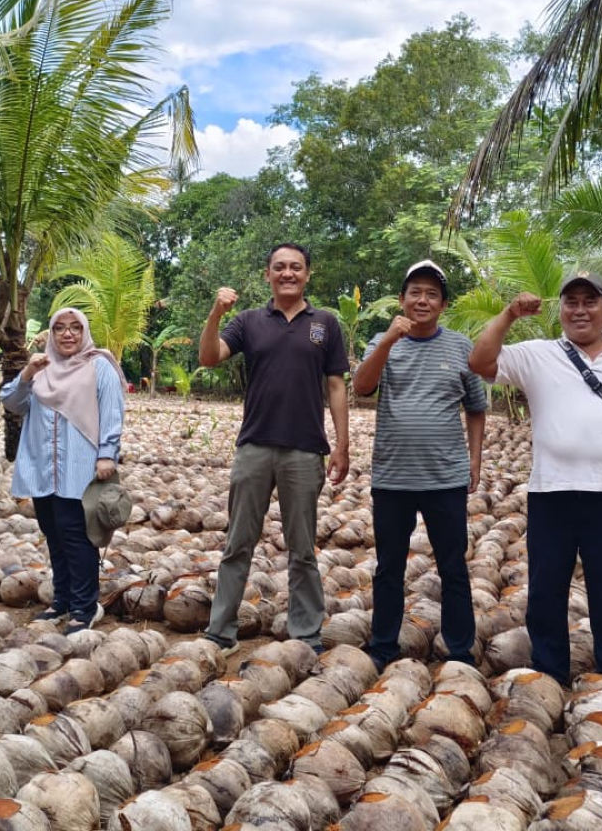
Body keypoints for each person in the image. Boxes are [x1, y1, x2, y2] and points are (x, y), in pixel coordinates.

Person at [469, 271, 602, 686]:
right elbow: (480, 361)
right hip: (551, 492)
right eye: (571, 302)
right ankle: (550, 673)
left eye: (590, 301)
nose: (581, 310)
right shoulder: (537, 354)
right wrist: (509, 314)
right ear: (560, 309)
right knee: (546, 588)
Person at [199, 243, 351, 655]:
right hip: (254, 447)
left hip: (304, 451)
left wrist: (343, 444)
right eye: (280, 267)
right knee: (238, 542)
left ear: (307, 275)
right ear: (268, 273)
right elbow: (210, 357)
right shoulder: (248, 321)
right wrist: (216, 313)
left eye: (296, 267)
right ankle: (220, 630)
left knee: (302, 547)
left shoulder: (326, 323)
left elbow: (336, 386)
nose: (288, 273)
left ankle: (306, 634)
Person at [352, 260, 487, 673]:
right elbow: (361, 388)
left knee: (453, 566)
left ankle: (460, 650)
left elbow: (477, 407)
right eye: (415, 292)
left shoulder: (462, 346)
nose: (422, 300)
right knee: (390, 565)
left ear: (442, 304)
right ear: (402, 300)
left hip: (445, 476)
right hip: (392, 477)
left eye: (432, 294)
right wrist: (389, 341)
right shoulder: (382, 340)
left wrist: (475, 460)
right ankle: (383, 644)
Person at [0, 307, 125, 634]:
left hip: (80, 468)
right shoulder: (41, 369)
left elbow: (112, 413)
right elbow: (12, 403)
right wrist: (26, 374)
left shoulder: (99, 366)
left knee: (78, 537)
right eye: (59, 328)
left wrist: (107, 454)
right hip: (43, 467)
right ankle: (63, 601)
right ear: (52, 334)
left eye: (74, 328)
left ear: (84, 333)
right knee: (54, 534)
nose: (67, 334)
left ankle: (86, 606)